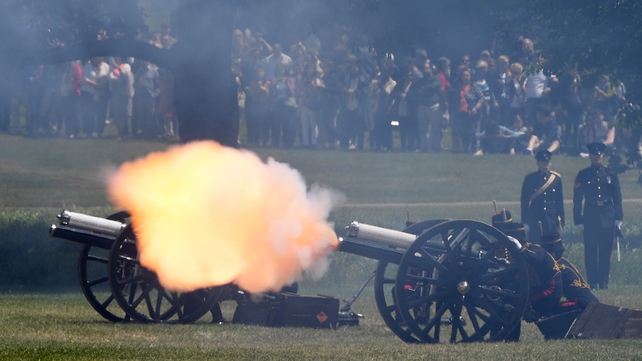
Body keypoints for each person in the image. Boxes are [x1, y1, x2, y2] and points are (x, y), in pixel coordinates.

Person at [573, 142, 623, 290]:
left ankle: (604, 282)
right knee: (591, 251)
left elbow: (617, 197)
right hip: (590, 216)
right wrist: (578, 219)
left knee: (605, 252)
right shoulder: (583, 175)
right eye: (594, 154)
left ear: (603, 156)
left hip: (608, 216)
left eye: (600, 154)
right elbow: (577, 199)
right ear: (590, 156)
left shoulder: (610, 174)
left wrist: (618, 218)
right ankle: (593, 282)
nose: (597, 157)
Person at [520, 150, 564, 244]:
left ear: (550, 162)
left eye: (547, 161)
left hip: (551, 220)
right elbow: (524, 201)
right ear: (538, 163)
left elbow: (559, 202)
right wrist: (525, 221)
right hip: (535, 219)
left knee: (552, 248)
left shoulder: (556, 179)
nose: (545, 163)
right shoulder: (530, 179)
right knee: (536, 246)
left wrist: (561, 220)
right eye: (543, 161)